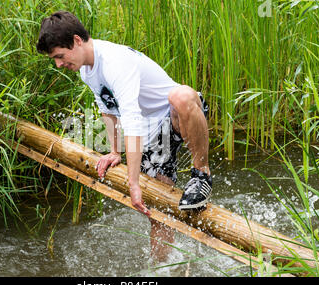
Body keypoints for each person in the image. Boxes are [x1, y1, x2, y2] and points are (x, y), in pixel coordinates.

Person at [37, 11, 212, 262]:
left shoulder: (114, 62)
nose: (58, 64)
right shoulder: (87, 69)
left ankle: (201, 175)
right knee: (159, 210)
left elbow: (132, 121)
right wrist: (114, 152)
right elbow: (109, 109)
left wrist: (133, 184)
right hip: (153, 134)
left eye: (60, 56)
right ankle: (162, 269)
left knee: (181, 95)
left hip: (175, 115)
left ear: (76, 41)